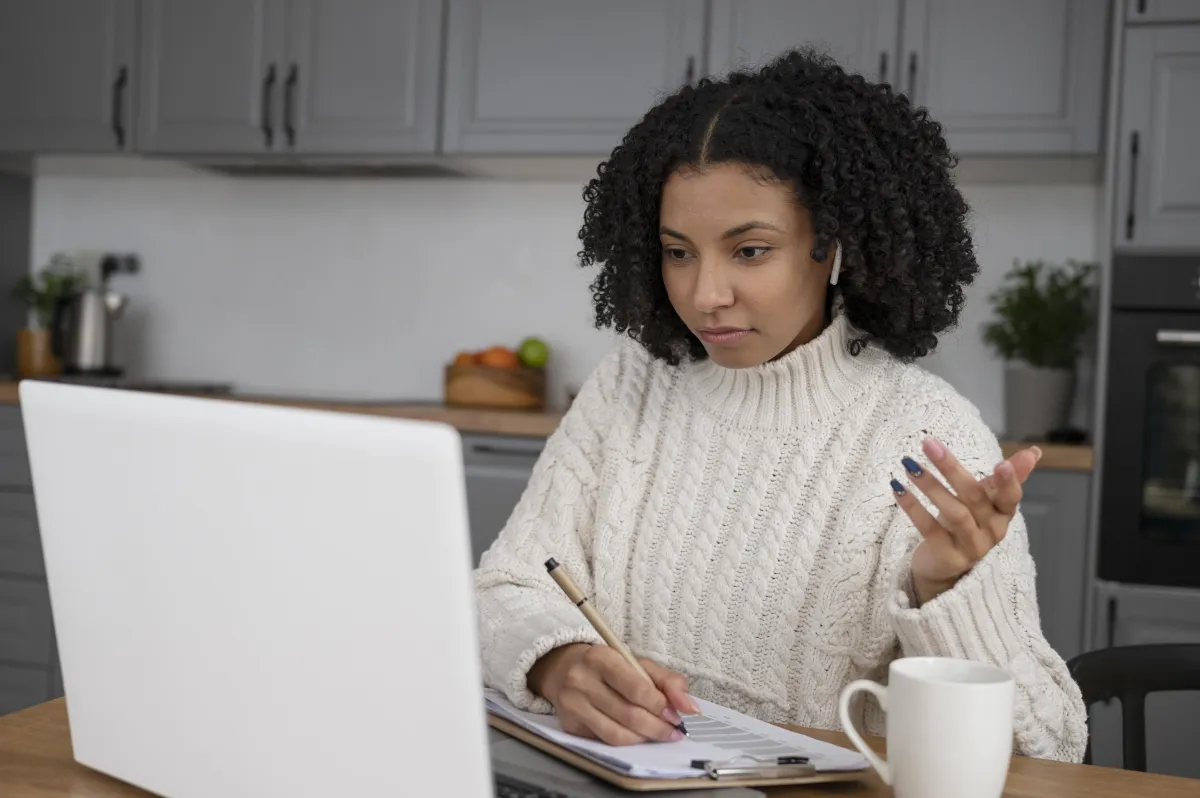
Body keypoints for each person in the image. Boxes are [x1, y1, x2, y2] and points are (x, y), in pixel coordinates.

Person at [472, 47, 1088, 763]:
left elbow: (1052, 746)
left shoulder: (928, 437)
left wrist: (944, 590)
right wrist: (559, 661)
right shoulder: (629, 388)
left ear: (832, 246)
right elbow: (500, 590)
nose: (705, 294)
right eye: (678, 252)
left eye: (750, 251)